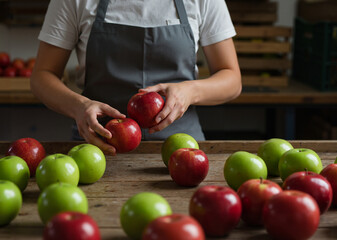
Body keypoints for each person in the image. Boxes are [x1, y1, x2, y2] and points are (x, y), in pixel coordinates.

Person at [30, 0, 242, 155]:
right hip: (97, 149)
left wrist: (189, 91)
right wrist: (80, 106)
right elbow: (42, 76)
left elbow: (232, 79)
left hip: (182, 152)